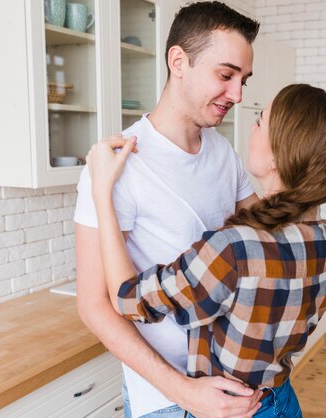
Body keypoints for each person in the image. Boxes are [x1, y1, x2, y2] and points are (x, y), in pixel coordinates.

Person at [86, 83, 326, 417]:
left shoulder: (234, 248)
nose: (244, 111)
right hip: (280, 402)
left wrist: (101, 190)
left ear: (276, 157)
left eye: (259, 120)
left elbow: (127, 297)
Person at [74, 2, 261, 417]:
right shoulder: (117, 164)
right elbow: (93, 305)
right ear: (179, 61)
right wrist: (184, 392)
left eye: (243, 80)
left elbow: (267, 244)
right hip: (167, 403)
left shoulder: (223, 152)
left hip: (236, 385)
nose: (238, 95)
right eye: (226, 75)